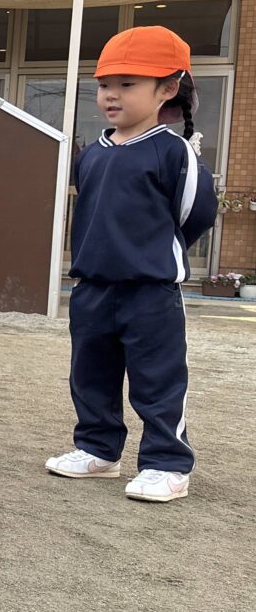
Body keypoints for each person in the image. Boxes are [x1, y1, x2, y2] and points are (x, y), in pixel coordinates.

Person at [45, 26, 216, 503]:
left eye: (127, 84)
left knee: (158, 379)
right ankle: (99, 450)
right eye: (104, 84)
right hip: (91, 287)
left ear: (167, 89)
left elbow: (196, 213)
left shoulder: (174, 151)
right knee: (90, 375)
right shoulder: (91, 154)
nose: (111, 95)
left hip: (151, 292)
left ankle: (167, 464)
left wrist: (156, 253)